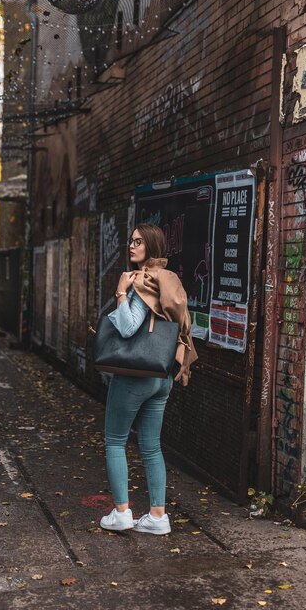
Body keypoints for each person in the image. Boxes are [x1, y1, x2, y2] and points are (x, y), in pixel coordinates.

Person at [100, 223, 198, 535]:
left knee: (115, 440)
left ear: (151, 247)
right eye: (130, 241)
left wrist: (120, 291)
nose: (131, 246)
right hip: (162, 374)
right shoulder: (169, 280)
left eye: (138, 242)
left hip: (135, 376)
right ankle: (157, 517)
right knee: (151, 446)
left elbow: (128, 327)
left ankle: (122, 513)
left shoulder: (143, 281)